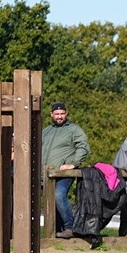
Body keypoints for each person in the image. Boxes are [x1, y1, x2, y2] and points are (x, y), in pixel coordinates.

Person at [41, 102, 90, 238]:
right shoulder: (46, 131)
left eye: (62, 113)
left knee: (59, 195)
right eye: (57, 114)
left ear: (66, 114)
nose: (59, 116)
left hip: (63, 174)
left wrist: (73, 164)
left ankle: (70, 227)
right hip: (46, 175)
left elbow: (83, 147)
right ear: (51, 115)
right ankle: (57, 230)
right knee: (49, 201)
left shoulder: (74, 129)